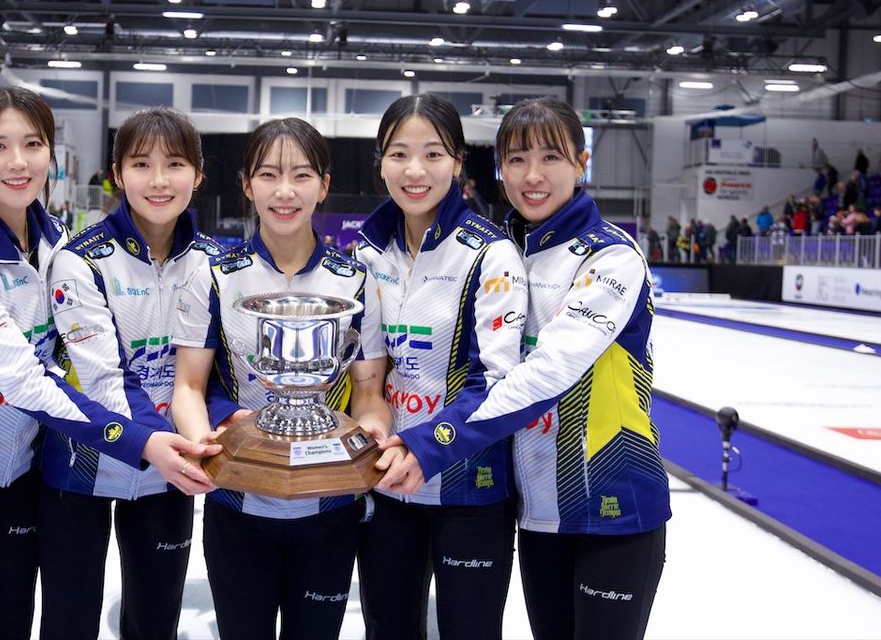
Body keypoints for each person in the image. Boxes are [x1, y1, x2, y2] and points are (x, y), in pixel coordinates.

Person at [0, 84, 216, 640]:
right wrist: (142, 440)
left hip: (17, 476)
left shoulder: (54, 240)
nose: (18, 162)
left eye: (33, 144)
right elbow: (29, 381)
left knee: (9, 626)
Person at [382, 96, 670, 640]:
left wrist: (432, 442)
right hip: (538, 512)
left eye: (551, 158)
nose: (532, 176)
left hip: (614, 507)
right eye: (516, 160)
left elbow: (545, 375)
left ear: (582, 164)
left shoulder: (611, 257)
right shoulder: (505, 251)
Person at [171, 117, 390, 640]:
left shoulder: (356, 278)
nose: (285, 191)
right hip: (239, 506)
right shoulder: (216, 274)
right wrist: (207, 446)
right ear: (247, 186)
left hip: (331, 506)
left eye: (302, 175)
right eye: (268, 175)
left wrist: (370, 439)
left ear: (324, 185)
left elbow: (367, 391)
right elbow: (189, 387)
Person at [38, 107, 223, 639]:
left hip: (172, 472)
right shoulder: (81, 261)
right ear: (117, 174)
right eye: (141, 164)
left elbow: (217, 375)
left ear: (199, 174)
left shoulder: (214, 263)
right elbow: (104, 379)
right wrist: (164, 442)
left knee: (155, 619)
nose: (159, 181)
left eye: (176, 164)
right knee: (69, 621)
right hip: (80, 467)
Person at [353, 93, 527, 640]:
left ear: (457, 162)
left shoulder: (490, 254)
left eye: (433, 154)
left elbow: (495, 383)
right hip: (389, 485)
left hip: (470, 488)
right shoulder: (368, 254)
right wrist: (376, 429)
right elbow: (368, 375)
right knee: (388, 629)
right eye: (399, 154)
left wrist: (427, 447)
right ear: (380, 161)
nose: (415, 170)